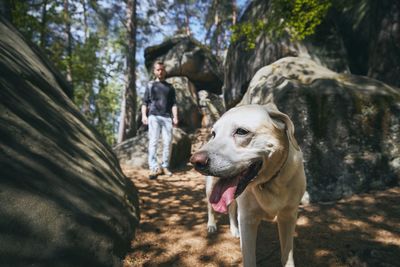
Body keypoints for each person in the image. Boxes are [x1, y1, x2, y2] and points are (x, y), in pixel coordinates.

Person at [141, 61, 179, 180]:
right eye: (158, 69)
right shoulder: (150, 85)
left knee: (167, 142)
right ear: (154, 71)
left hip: (167, 117)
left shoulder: (170, 87)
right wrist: (144, 115)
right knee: (154, 141)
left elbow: (174, 104)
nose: (160, 71)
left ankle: (165, 166)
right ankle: (153, 167)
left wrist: (175, 117)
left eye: (162, 69)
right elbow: (144, 102)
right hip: (153, 116)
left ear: (165, 70)